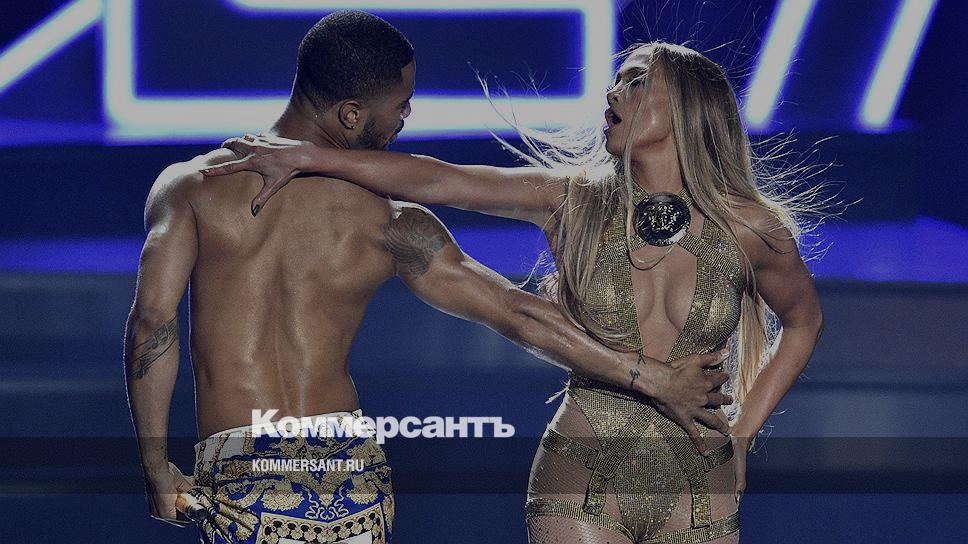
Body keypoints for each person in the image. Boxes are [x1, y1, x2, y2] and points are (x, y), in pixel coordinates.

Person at [126, 13, 733, 544]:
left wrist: (156, 467)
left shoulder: (189, 188)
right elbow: (517, 314)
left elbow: (152, 324)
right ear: (351, 114)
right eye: (401, 106)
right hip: (347, 476)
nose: (407, 117)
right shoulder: (386, 220)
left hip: (242, 470)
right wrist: (654, 377)